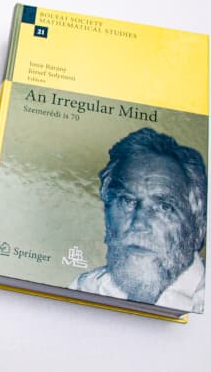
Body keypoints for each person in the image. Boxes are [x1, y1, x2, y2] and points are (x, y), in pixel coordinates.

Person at [70, 128, 206, 312]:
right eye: (127, 201)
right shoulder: (86, 287)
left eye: (164, 207)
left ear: (198, 229)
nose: (139, 223)